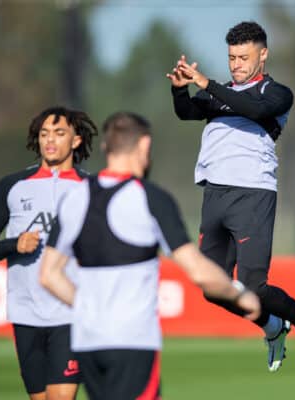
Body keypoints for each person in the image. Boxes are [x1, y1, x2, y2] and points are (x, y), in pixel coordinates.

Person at [39, 112, 260, 400]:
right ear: (144, 145)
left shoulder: (74, 198)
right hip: (132, 341)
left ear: (107, 148)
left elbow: (48, 275)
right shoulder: (149, 198)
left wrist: (89, 306)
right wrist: (239, 295)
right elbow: (199, 271)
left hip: (87, 341)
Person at [166, 20, 295, 372]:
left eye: (243, 57)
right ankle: (271, 327)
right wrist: (180, 90)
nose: (236, 64)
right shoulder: (219, 92)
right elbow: (187, 112)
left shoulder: (276, 93)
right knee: (212, 285)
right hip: (214, 193)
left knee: (256, 286)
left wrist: (207, 83)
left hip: (253, 193)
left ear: (263, 55)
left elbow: (254, 111)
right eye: (232, 57)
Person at [0, 106, 97, 400]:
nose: (50, 140)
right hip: (25, 313)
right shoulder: (12, 186)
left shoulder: (92, 188)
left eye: (59, 133)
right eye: (44, 134)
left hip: (71, 312)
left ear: (76, 140)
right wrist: (14, 245)